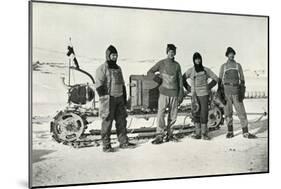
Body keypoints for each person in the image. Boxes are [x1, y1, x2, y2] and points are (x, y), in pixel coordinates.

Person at [95, 45, 136, 152]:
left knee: (121, 121)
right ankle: (106, 145)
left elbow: (122, 83)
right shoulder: (102, 68)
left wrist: (124, 97)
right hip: (109, 99)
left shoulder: (118, 68)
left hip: (119, 99)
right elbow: (99, 85)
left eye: (115, 55)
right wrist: (104, 98)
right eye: (112, 55)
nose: (114, 57)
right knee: (107, 122)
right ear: (108, 56)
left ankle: (123, 142)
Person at [147, 44, 184, 144]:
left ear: (175, 53)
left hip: (174, 93)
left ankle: (170, 134)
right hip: (163, 93)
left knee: (173, 115)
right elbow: (150, 72)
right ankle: (159, 135)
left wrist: (181, 92)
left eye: (173, 52)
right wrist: (158, 79)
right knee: (161, 114)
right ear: (167, 52)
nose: (171, 53)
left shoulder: (177, 65)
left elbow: (180, 80)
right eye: (169, 52)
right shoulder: (161, 63)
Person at [218, 47, 256, 139]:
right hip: (227, 93)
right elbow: (220, 81)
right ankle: (230, 131)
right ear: (227, 55)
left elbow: (242, 79)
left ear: (234, 54)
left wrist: (241, 91)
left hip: (236, 92)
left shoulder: (238, 65)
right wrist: (221, 92)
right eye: (229, 53)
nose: (231, 55)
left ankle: (245, 132)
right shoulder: (223, 66)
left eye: (232, 53)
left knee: (241, 112)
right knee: (228, 113)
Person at [182, 52, 218, 140]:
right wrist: (189, 88)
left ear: (201, 59)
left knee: (204, 113)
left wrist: (208, 87)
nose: (197, 60)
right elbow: (182, 78)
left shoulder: (206, 70)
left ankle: (204, 134)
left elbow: (216, 78)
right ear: (193, 60)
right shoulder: (191, 70)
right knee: (195, 113)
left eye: (199, 59)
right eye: (196, 59)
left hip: (204, 95)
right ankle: (197, 133)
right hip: (195, 96)